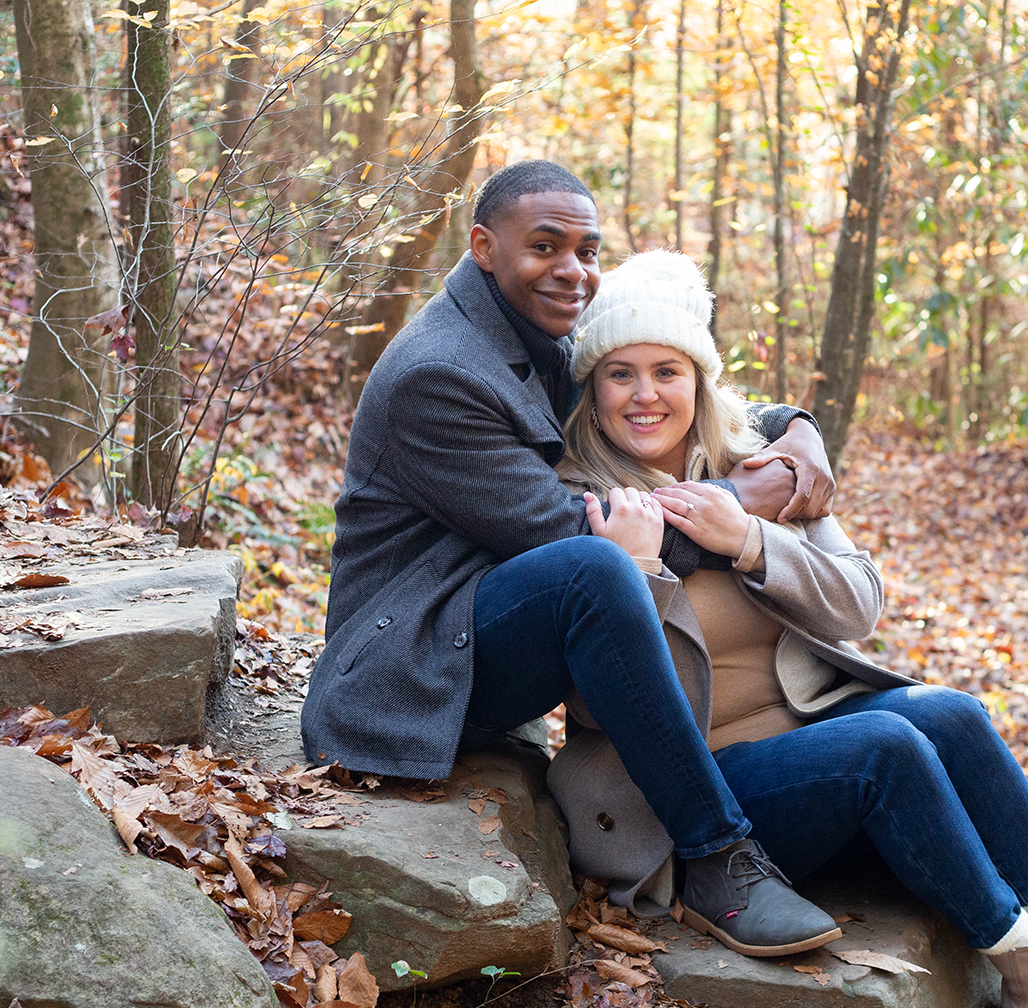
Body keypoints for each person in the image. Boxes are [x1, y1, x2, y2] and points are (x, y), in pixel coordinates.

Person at [546, 250, 1028, 1008]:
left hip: (803, 734)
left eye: (667, 370)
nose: (645, 394)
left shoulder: (755, 471)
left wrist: (750, 540)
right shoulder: (576, 501)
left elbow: (859, 604)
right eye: (619, 373)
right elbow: (609, 701)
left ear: (700, 380)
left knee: (951, 713)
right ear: (591, 389)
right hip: (697, 801)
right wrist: (636, 574)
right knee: (884, 744)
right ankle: (1027, 980)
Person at [301, 161, 848, 955]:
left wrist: (796, 426)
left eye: (587, 251)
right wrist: (733, 509)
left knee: (600, 567)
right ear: (485, 247)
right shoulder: (438, 372)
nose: (573, 272)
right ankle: (716, 858)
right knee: (597, 567)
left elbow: (652, 386)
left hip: (484, 618)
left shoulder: (529, 329)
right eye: (545, 246)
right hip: (410, 655)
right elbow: (569, 528)